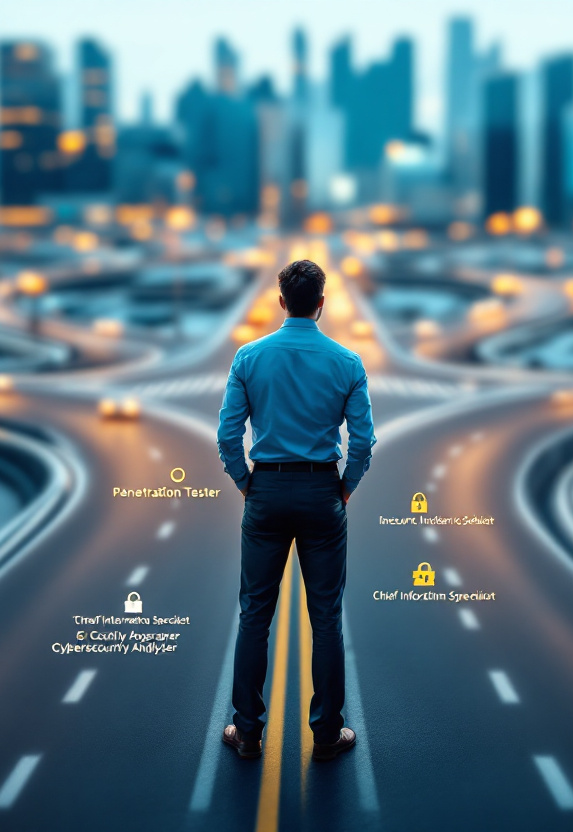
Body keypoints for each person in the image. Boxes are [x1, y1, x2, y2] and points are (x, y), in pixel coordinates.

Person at [216, 259, 376, 762]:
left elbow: (226, 435)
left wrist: (246, 482)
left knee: (254, 616)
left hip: (266, 492)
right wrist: (344, 487)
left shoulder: (248, 357)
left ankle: (247, 732)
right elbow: (364, 440)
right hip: (321, 494)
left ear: (280, 301)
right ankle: (328, 733)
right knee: (325, 618)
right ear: (322, 304)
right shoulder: (347, 362)